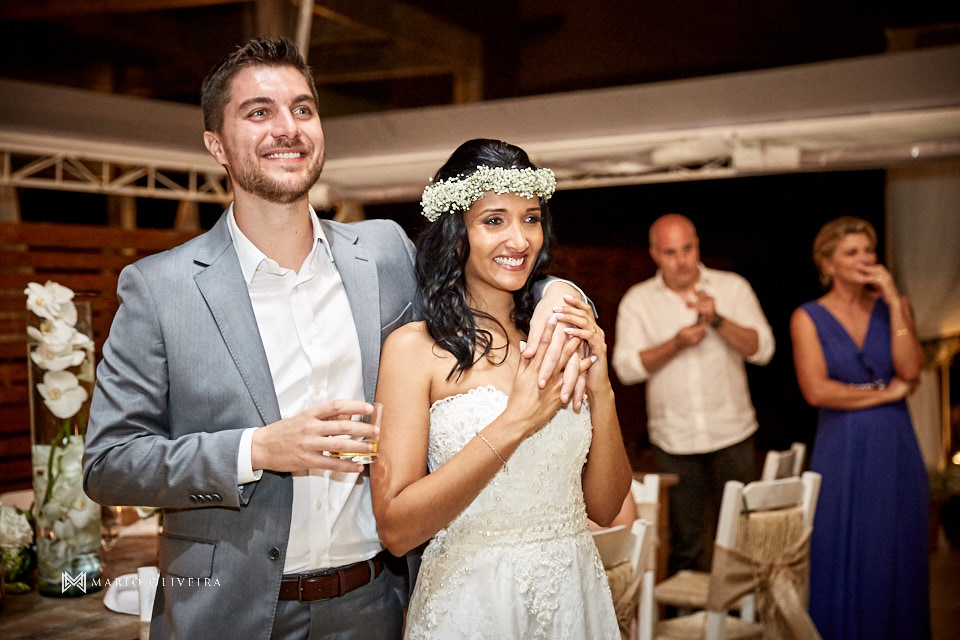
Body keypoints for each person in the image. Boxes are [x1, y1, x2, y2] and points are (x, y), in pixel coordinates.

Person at [82, 39, 585, 640]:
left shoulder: (383, 252)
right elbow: (109, 463)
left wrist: (557, 290)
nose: (287, 128)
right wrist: (257, 450)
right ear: (216, 144)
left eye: (303, 108)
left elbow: (483, 280)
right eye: (259, 112)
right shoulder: (161, 288)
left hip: (373, 604)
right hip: (228, 611)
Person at [370, 138, 632, 639]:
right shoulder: (414, 349)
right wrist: (516, 422)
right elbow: (397, 531)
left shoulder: (556, 338)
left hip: (572, 596)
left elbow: (605, 506)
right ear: (457, 234)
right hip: (471, 605)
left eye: (530, 218)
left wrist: (602, 389)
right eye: (494, 220)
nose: (519, 239)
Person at [611, 213, 774, 575]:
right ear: (655, 254)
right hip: (675, 440)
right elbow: (625, 369)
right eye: (670, 252)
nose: (682, 260)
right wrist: (675, 344)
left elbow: (763, 350)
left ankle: (738, 611)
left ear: (698, 245)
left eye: (687, 249)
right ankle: (688, 610)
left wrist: (718, 320)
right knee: (686, 547)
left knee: (740, 540)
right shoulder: (638, 300)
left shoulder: (732, 288)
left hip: (733, 432)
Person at [790, 216, 929, 640]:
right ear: (827, 263)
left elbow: (910, 369)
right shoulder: (808, 316)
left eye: (868, 250)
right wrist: (884, 395)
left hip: (895, 443)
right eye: (851, 252)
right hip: (842, 445)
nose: (864, 259)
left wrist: (895, 301)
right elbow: (816, 390)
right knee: (844, 546)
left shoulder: (893, 307)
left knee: (897, 549)